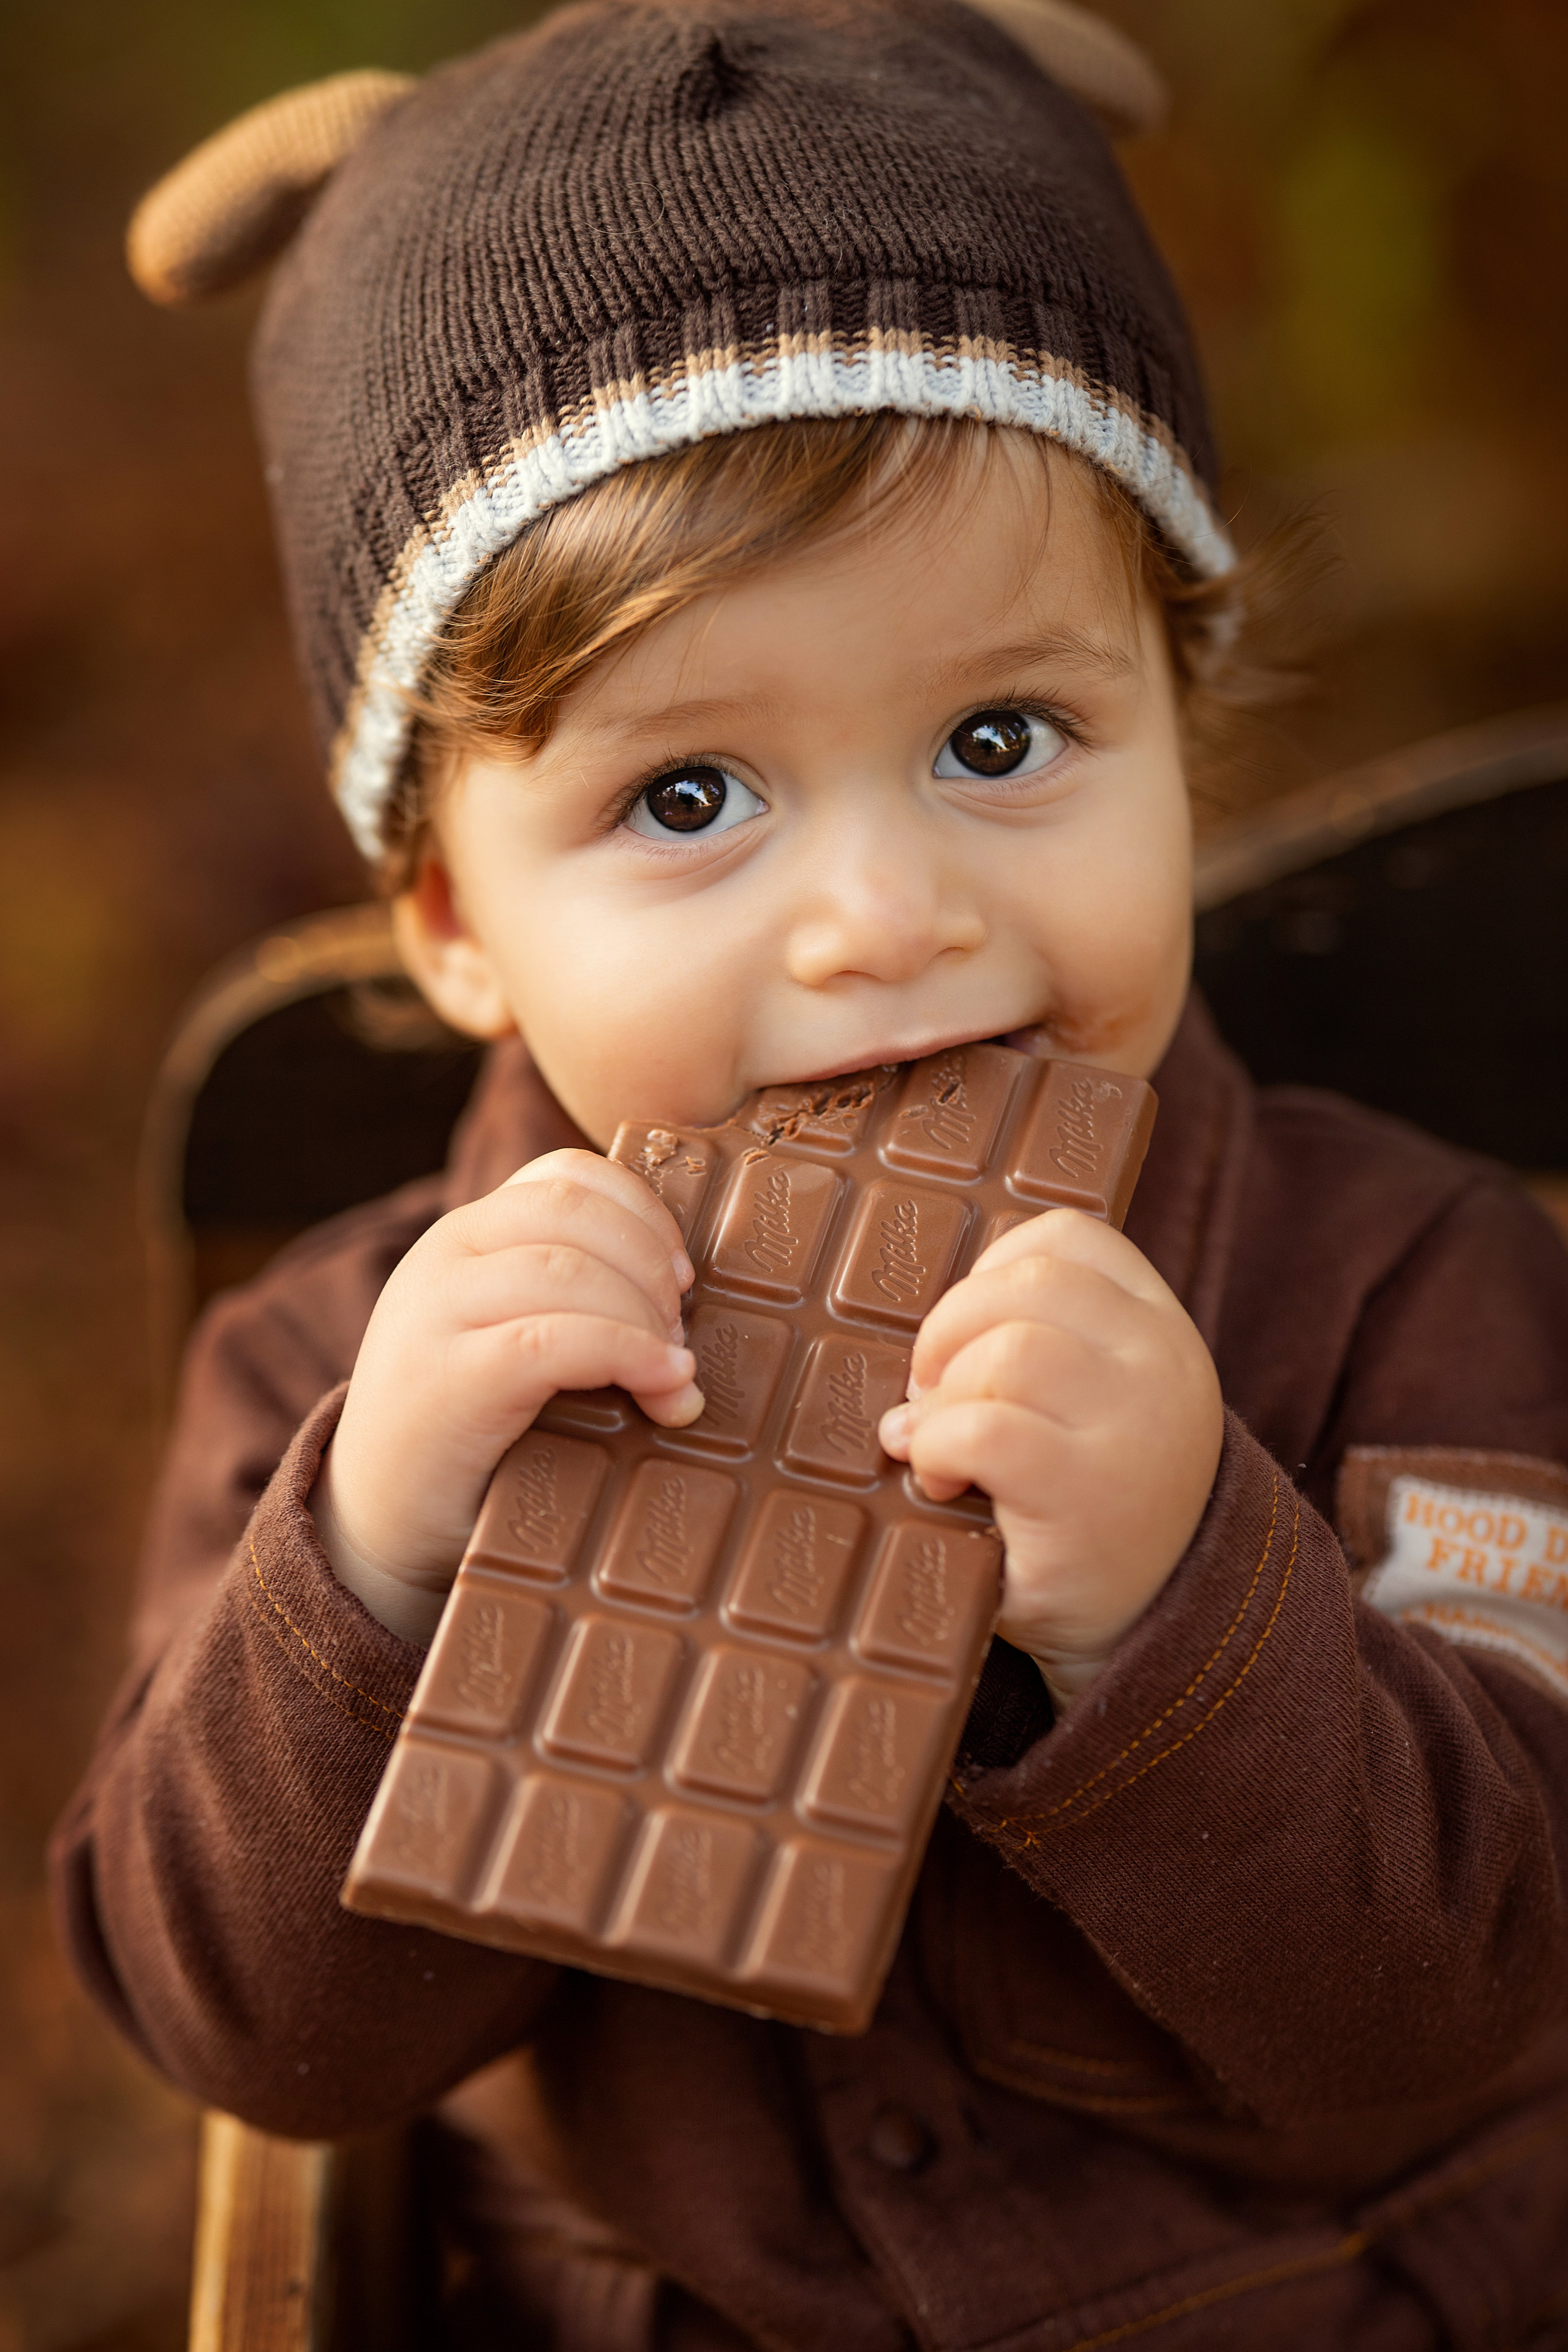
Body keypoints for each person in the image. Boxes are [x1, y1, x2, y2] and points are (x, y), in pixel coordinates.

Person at [52, 0, 1568, 2341]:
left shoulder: (1416, 1287)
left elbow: (1484, 1995)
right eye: (688, 798)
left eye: (1001, 736)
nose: (886, 916)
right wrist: (374, 1561)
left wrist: (1191, 1608)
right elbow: (250, 2043)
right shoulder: (341, 1371)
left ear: (1181, 728)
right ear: (453, 919)